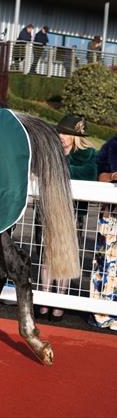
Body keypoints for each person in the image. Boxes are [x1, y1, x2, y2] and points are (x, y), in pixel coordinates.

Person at [36, 115, 97, 322]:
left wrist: (57, 171)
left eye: (67, 133)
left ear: (76, 137)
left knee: (65, 256)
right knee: (46, 256)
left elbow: (89, 174)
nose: (61, 136)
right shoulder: (48, 151)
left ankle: (59, 303)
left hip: (72, 213)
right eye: (60, 132)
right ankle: (44, 302)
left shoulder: (87, 155)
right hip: (48, 208)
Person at [90, 133, 117, 330]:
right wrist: (114, 176)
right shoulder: (111, 146)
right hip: (110, 218)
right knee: (105, 264)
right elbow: (101, 177)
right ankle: (102, 313)